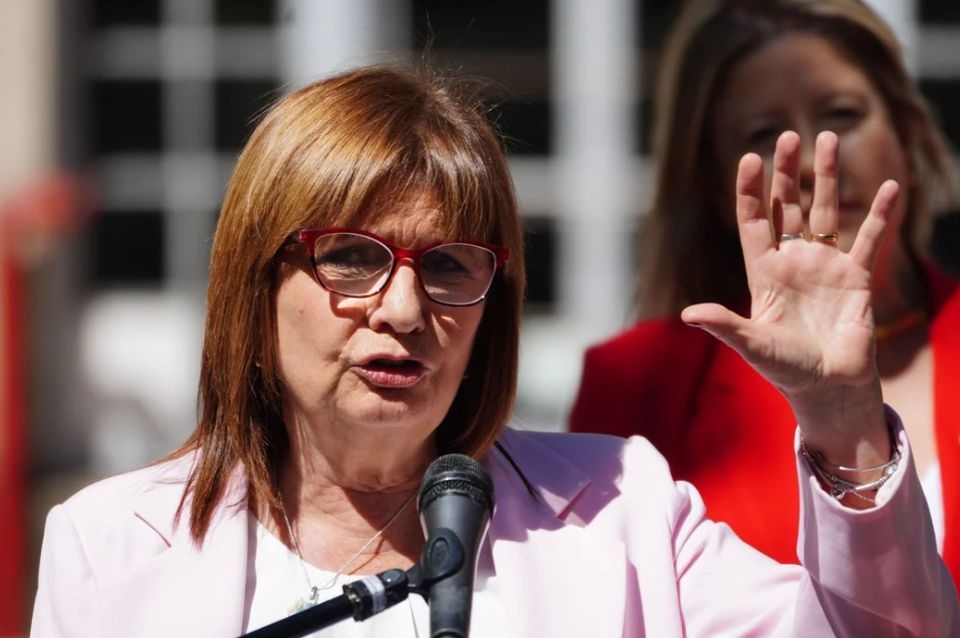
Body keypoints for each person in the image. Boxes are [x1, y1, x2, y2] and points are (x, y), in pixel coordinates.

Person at [30, 64, 956, 638]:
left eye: (448, 266)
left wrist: (841, 416)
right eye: (351, 257)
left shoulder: (623, 512)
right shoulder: (108, 544)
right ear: (256, 281)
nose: (402, 308)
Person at [569, 0, 960, 587]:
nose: (812, 159)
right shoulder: (636, 385)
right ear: (713, 181)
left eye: (843, 114)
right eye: (763, 134)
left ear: (905, 131)